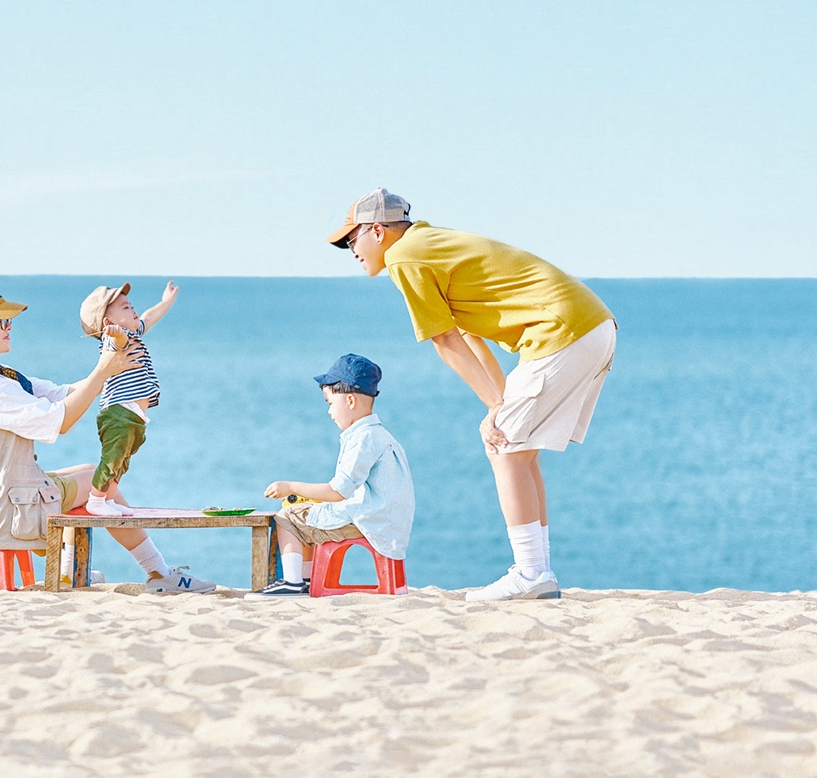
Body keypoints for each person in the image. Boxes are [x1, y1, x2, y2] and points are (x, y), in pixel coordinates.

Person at [330, 188, 615, 601]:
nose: (351, 250)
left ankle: (532, 573)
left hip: (562, 332)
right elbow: (467, 336)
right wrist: (498, 404)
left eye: (352, 239)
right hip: (589, 326)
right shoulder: (431, 245)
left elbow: (445, 340)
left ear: (377, 231)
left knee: (505, 448)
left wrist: (498, 407)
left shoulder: (404, 257)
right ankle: (538, 572)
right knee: (517, 448)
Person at [0, 279, 218, 594]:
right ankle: (157, 572)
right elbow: (60, 420)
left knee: (88, 473)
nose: (10, 326)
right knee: (103, 484)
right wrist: (103, 372)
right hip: (2, 510)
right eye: (1, 320)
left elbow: (61, 393)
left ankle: (69, 571)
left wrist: (111, 371)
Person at [255, 354, 414, 597]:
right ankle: (306, 580)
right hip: (386, 519)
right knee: (308, 513)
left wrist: (291, 487)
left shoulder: (362, 439)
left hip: (369, 521)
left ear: (350, 400)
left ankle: (294, 581)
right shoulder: (381, 435)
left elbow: (338, 491)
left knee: (286, 517)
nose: (329, 411)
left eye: (329, 403)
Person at [78, 279, 178, 516]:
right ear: (108, 322)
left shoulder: (133, 333)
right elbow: (119, 341)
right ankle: (95, 500)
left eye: (131, 305)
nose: (133, 310)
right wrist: (117, 334)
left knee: (122, 462)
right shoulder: (112, 339)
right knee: (112, 458)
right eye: (125, 307)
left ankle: (108, 499)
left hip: (133, 415)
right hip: (118, 413)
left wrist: (166, 301)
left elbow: (149, 317)